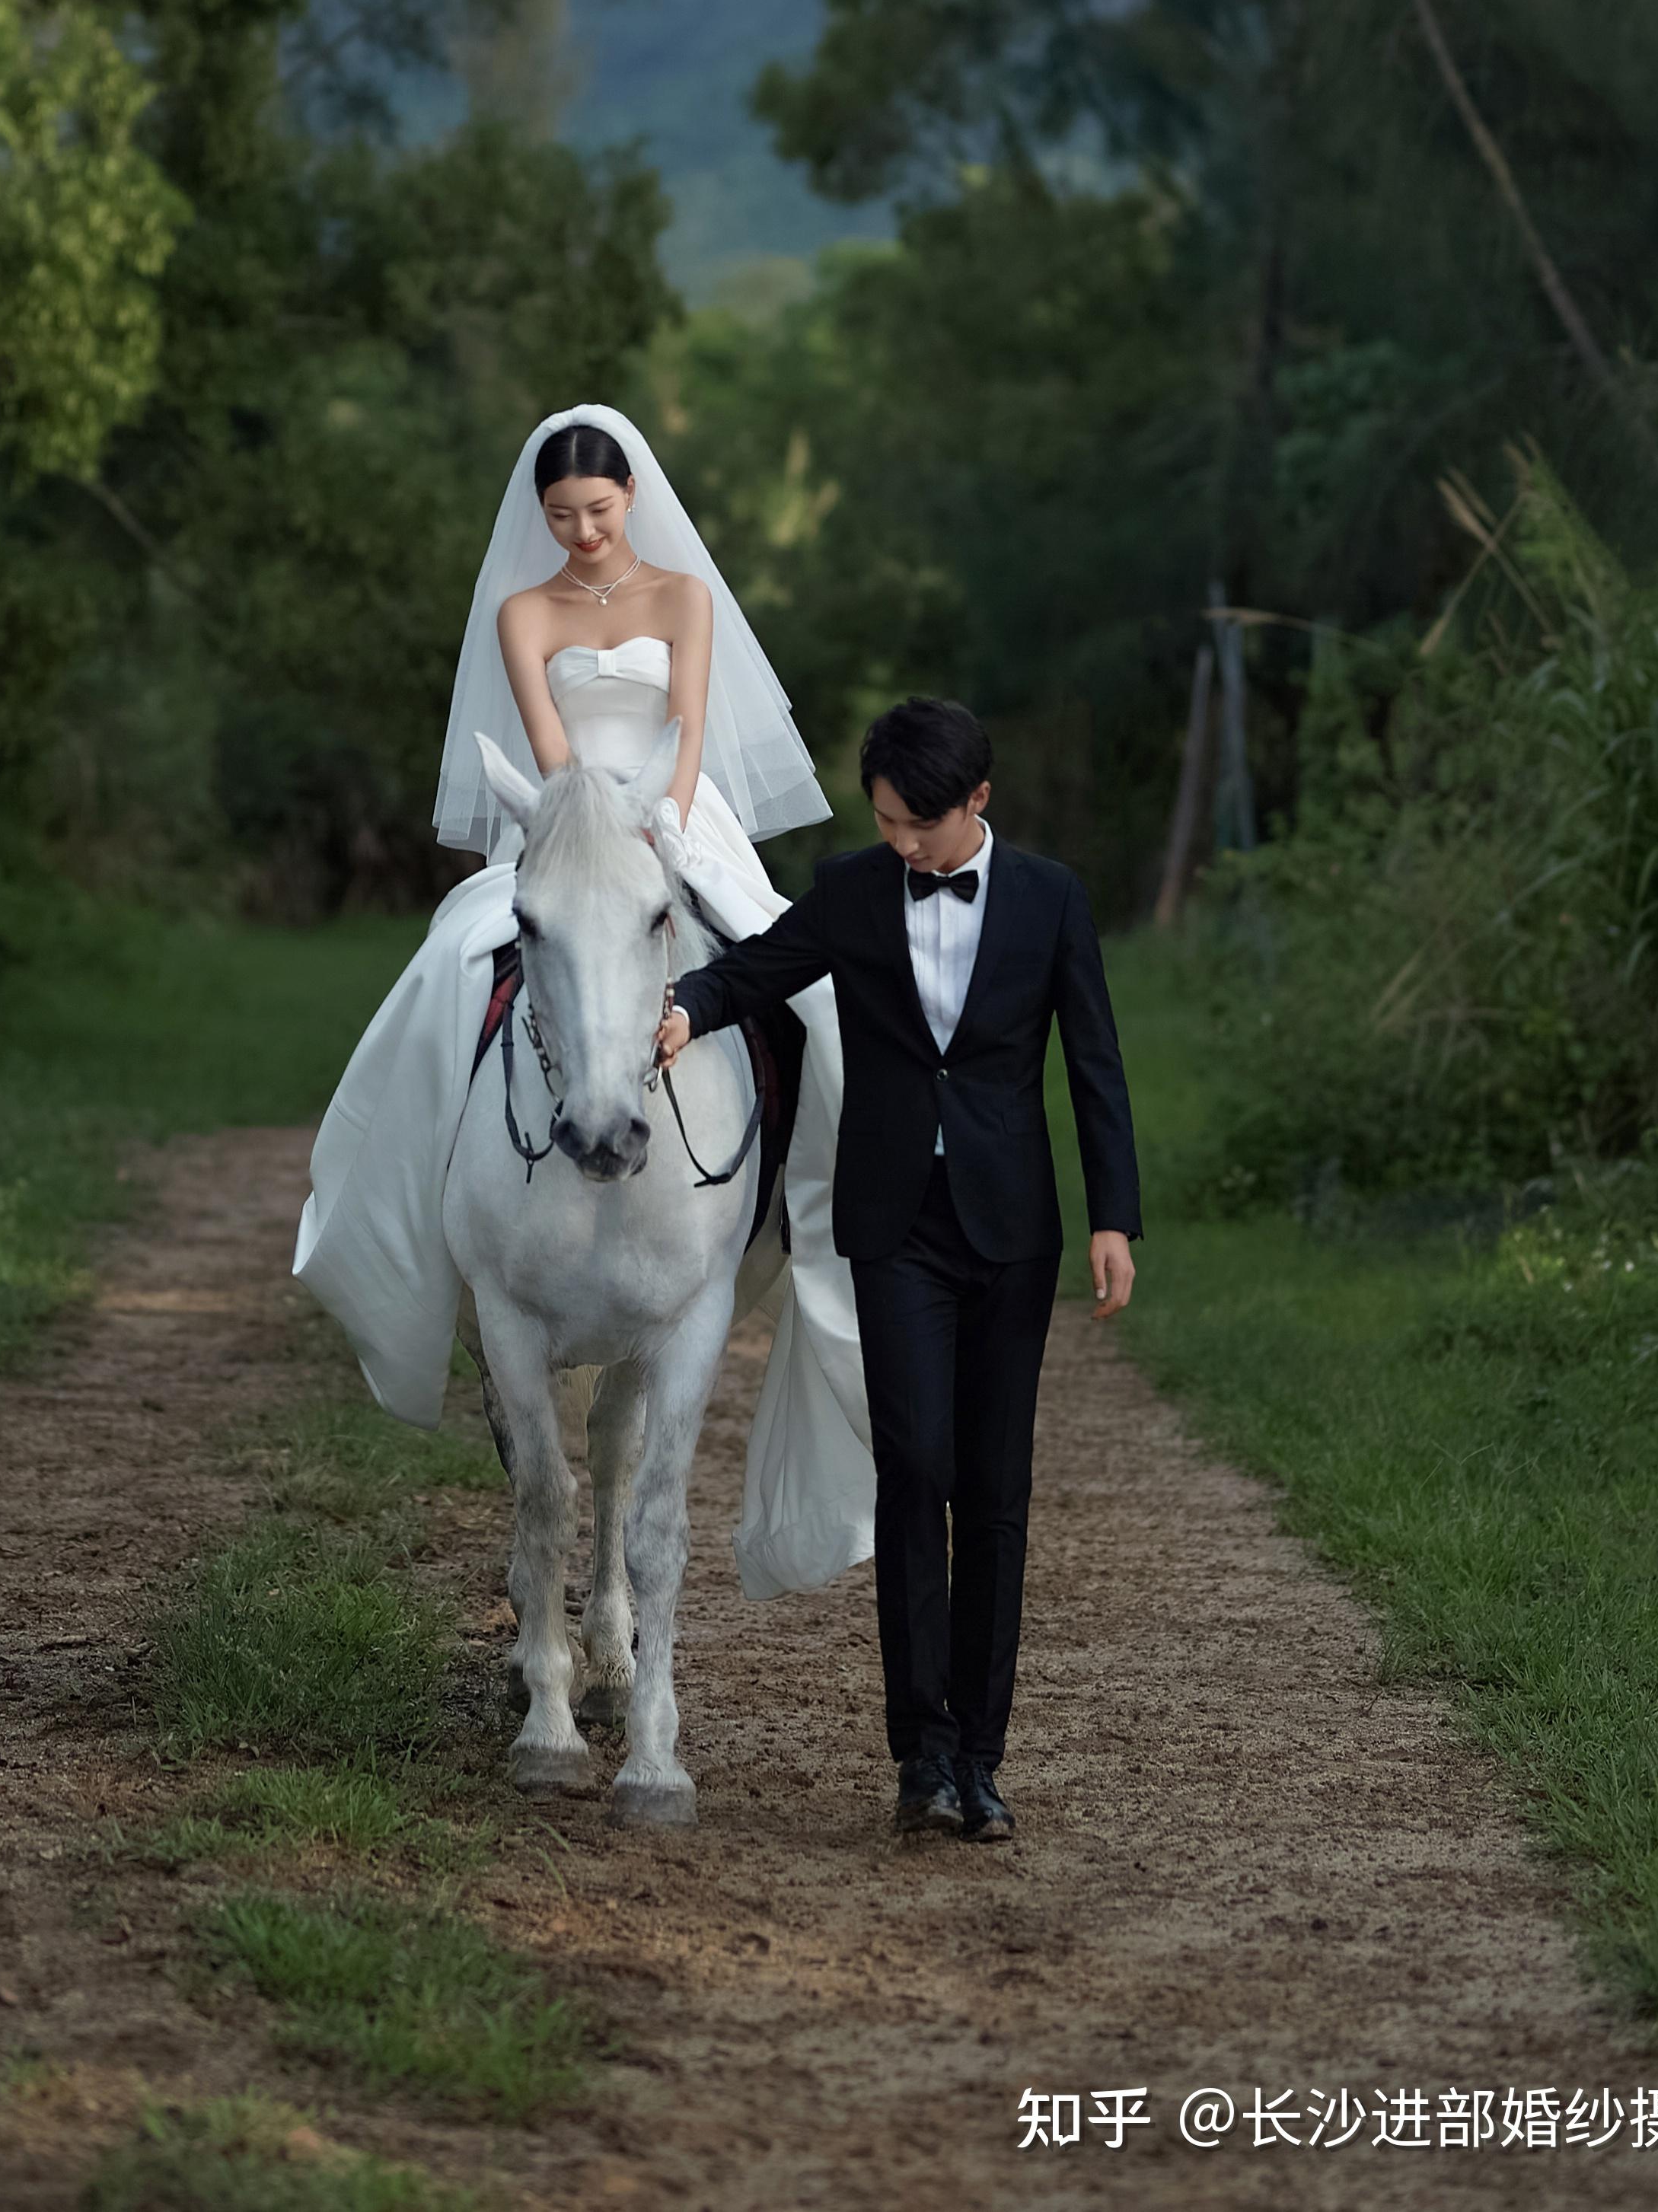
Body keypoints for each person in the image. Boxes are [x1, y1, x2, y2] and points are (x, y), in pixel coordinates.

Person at [292, 403, 875, 1602]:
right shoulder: (525, 612)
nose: (582, 533)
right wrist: (583, 832)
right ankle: (424, 1201)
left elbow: (690, 734)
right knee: (448, 972)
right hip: (561, 829)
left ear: (633, 502)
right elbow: (551, 749)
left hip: (671, 819)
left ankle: (824, 1211)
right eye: (560, 517)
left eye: (599, 513)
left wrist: (657, 830)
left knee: (812, 1003)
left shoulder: (684, 599)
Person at [654, 695, 1138, 1843]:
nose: (901, 846)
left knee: (997, 1493)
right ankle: (919, 1754)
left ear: (978, 803)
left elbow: (1098, 1066)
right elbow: (759, 971)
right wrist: (682, 1010)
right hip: (893, 1225)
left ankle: (982, 1756)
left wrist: (1115, 1216)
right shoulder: (855, 889)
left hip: (1012, 1229)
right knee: (915, 1469)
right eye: (884, 821)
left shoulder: (1051, 900)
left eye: (919, 826)